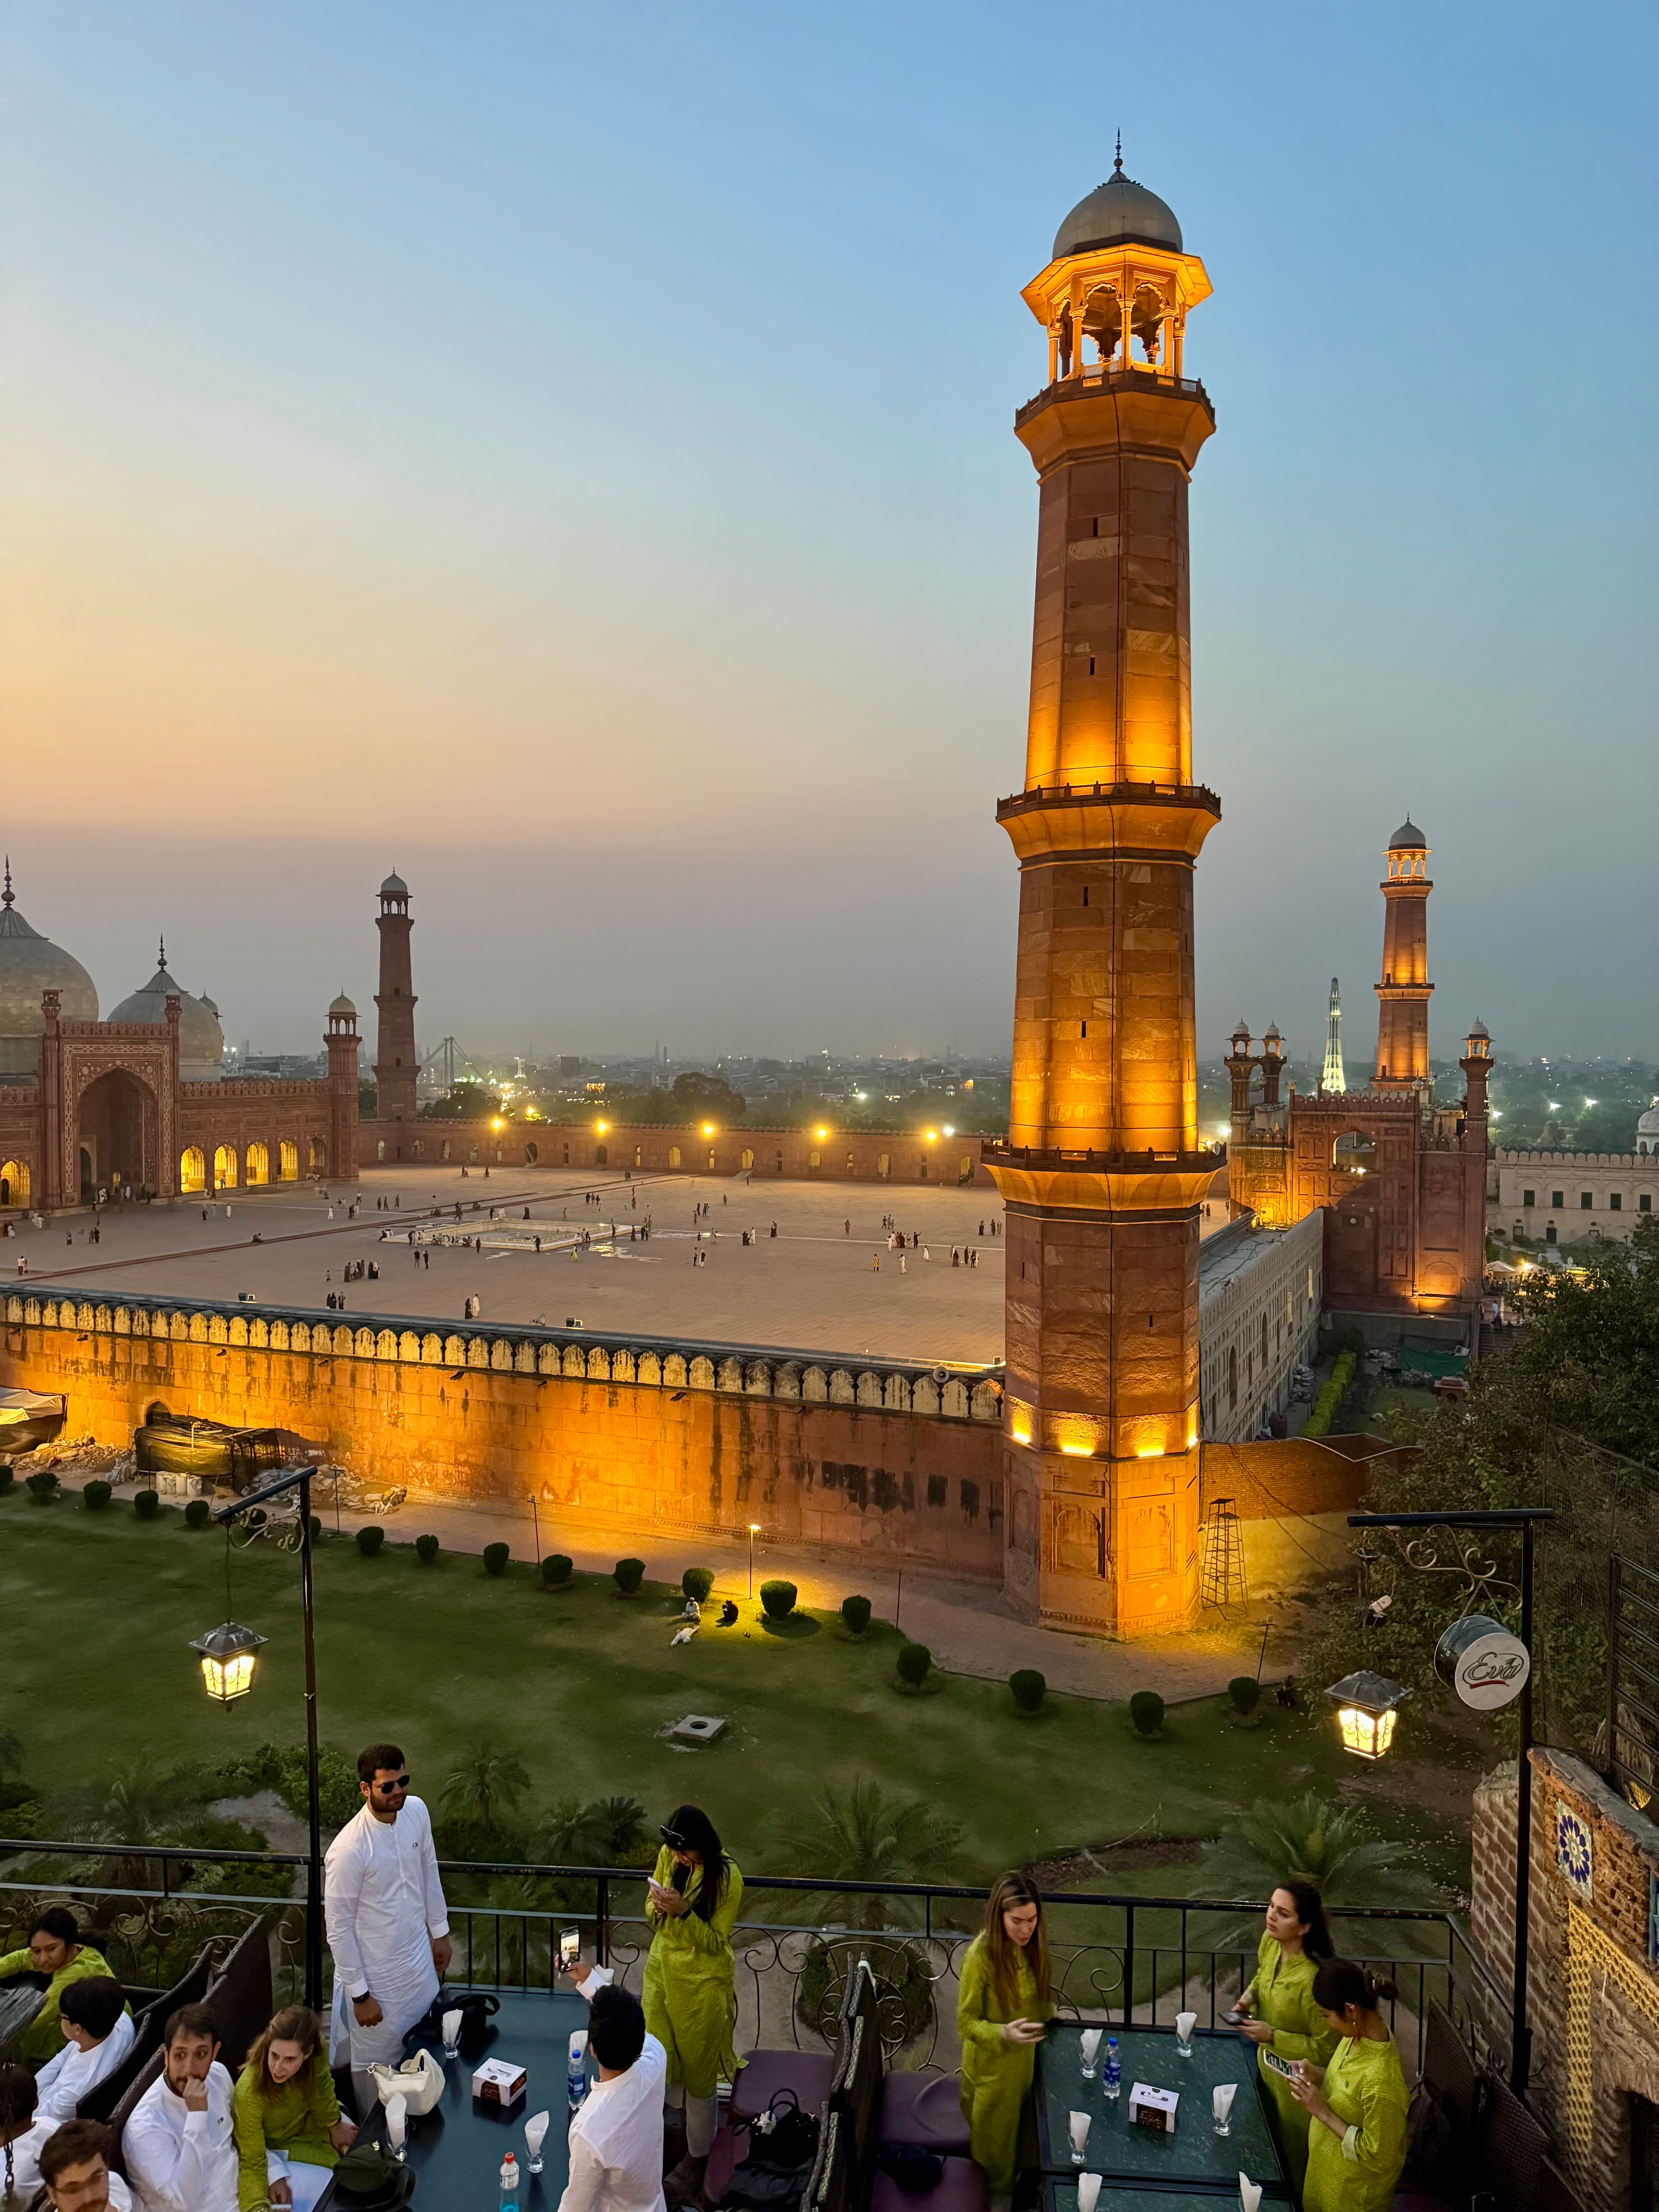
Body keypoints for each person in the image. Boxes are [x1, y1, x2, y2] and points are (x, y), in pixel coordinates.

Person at [323, 1743, 452, 2116]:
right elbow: (338, 1929)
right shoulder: (348, 1850)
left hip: (419, 1966)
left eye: (403, 1782)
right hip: (377, 1982)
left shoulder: (417, 1812)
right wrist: (361, 1996)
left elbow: (429, 1868)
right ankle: (378, 2151)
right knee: (378, 2079)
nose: (398, 1792)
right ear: (365, 1789)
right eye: (387, 1787)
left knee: (426, 2055)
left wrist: (440, 1931)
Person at [642, 1805, 744, 2207]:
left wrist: (683, 1912)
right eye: (675, 1852)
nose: (678, 1859)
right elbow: (651, 1916)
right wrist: (658, 1905)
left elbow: (717, 1943)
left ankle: (698, 2163)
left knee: (701, 2077)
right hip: (661, 1975)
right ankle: (669, 2148)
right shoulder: (669, 1855)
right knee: (656, 2061)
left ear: (703, 1847)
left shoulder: (728, 1878)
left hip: (701, 1986)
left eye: (686, 1854)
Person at [957, 1870, 1053, 2210]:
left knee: (1027, 2146)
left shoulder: (1030, 1948)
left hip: (1025, 2072)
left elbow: (1035, 2000)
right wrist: (1003, 2033)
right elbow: (966, 2022)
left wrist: (1051, 2015)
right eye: (1017, 1921)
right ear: (999, 1916)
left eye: (1032, 1920)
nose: (1027, 1929)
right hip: (992, 2080)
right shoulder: (980, 1957)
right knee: (996, 2172)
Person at [1233, 1880, 1336, 2191]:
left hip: (1295, 2092)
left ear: (1304, 1927)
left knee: (1291, 2167)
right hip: (1262, 2069)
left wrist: (1274, 2035)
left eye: (1283, 1913)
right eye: (1271, 1907)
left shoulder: (1314, 1982)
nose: (1272, 1917)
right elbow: (1262, 1974)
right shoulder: (1270, 1942)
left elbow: (1327, 2049)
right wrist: (1247, 1999)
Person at [1290, 1960, 1410, 2212]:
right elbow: (1349, 2089)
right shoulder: (1356, 2036)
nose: (1327, 2023)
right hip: (1325, 2175)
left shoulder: (1382, 2081)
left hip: (1351, 2196)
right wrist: (1317, 2075)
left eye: (1326, 2016)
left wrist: (1322, 2111)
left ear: (1351, 2011)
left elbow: (1381, 2157)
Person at [554, 1959, 665, 2212]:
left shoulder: (589, 2130)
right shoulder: (656, 2058)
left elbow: (576, 2206)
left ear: (591, 2049)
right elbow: (627, 2025)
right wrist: (589, 1980)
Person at [232, 2006, 355, 2212]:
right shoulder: (249, 2091)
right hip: (279, 2146)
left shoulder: (317, 2051)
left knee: (368, 2162)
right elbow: (251, 2161)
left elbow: (322, 2085)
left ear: (307, 2053)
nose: (278, 2068)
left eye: (290, 2059)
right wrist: (256, 2208)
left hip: (315, 2126)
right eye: (274, 2055)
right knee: (334, 2191)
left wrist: (334, 2124)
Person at [124, 2004, 236, 2212]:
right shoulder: (145, 2125)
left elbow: (239, 2137)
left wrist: (274, 2172)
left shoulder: (218, 2075)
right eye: (180, 2055)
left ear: (215, 2053)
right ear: (166, 2056)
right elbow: (183, 2202)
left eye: (201, 2054)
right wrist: (197, 2116)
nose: (189, 2069)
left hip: (248, 2191)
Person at [0, 1909, 122, 2064]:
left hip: (101, 2032)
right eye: (36, 1951)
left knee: (22, 2039)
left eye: (52, 1949)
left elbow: (39, 2017)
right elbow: (19, 1959)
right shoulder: (77, 1951)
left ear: (68, 1942)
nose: (43, 1958)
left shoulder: (74, 1974)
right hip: (99, 2021)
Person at [34, 1978, 136, 2123]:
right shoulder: (118, 2021)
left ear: (77, 2028)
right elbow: (62, 2057)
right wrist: (31, 2088)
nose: (60, 2020)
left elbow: (36, 2120)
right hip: (37, 2097)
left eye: (62, 2016)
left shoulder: (78, 2090)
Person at [37, 2118, 134, 2212]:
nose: (89, 2198)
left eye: (96, 2179)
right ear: (53, 2194)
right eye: (73, 2189)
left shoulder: (115, 2185)